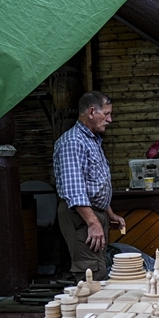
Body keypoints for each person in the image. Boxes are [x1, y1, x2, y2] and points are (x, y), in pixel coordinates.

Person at [53, 91, 125, 280]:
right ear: (92, 112)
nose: (110, 119)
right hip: (81, 216)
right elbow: (75, 190)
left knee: (100, 269)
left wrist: (109, 214)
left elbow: (95, 185)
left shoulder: (92, 141)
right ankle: (90, 310)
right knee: (91, 273)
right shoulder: (73, 142)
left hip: (93, 214)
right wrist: (93, 222)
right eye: (107, 114)